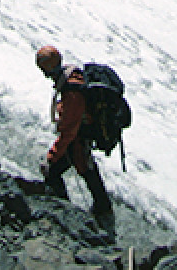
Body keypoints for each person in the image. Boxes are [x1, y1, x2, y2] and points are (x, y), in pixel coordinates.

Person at [35, 44, 114, 233]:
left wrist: (52, 155)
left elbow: (69, 130)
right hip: (80, 137)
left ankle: (65, 212)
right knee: (87, 171)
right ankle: (102, 212)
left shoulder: (71, 90)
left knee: (55, 170)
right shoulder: (73, 77)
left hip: (78, 139)